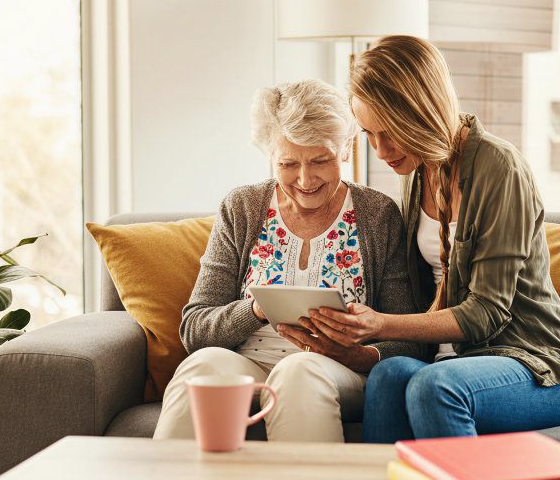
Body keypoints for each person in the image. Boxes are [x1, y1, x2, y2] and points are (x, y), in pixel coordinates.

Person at [302, 36, 560, 443]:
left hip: (534, 367)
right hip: (448, 364)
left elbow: (487, 313)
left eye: (390, 132)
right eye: (369, 134)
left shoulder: (501, 168)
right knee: (387, 375)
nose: (381, 151)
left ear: (421, 111)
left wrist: (380, 324)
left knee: (434, 386)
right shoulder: (417, 172)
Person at [153, 79, 422, 443]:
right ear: (270, 157)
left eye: (321, 160)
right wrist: (256, 309)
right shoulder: (242, 207)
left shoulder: (378, 215)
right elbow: (195, 329)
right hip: (249, 363)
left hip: (335, 371)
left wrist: (357, 354)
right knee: (201, 367)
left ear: (346, 149)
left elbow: (409, 340)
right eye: (288, 163)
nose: (305, 179)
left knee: (298, 371)